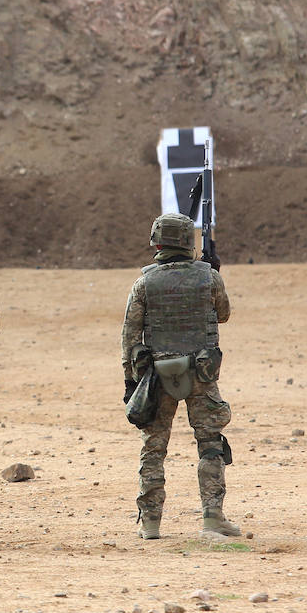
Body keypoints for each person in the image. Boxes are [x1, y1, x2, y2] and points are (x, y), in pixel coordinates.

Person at [120, 212, 238, 540]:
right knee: (210, 442)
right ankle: (213, 517)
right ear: (188, 242)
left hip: (157, 376)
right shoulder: (208, 279)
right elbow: (224, 314)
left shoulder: (144, 283)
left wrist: (132, 382)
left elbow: (130, 337)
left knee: (153, 447)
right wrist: (213, 272)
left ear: (157, 242)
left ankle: (150, 522)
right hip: (201, 371)